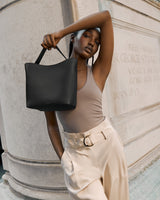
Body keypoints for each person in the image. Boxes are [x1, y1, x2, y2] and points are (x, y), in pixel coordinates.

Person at [41, 10, 130, 200]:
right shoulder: (52, 79)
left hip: (108, 146)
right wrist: (64, 158)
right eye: (87, 35)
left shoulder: (98, 71)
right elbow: (51, 124)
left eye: (97, 41)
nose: (92, 42)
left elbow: (105, 17)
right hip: (78, 157)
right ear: (74, 38)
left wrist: (60, 33)